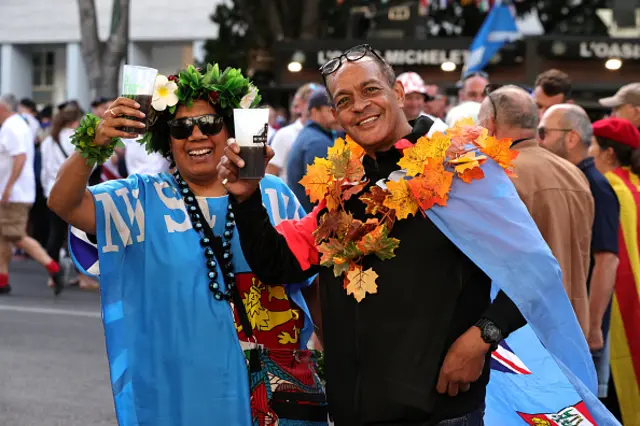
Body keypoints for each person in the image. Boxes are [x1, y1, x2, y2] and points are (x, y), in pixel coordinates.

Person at [218, 44, 613, 425]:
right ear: (336, 115)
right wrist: (247, 197)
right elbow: (276, 263)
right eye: (343, 100)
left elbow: (536, 269)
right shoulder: (341, 188)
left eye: (370, 89)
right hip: (354, 410)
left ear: (398, 91)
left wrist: (481, 339)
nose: (359, 105)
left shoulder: (461, 169)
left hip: (440, 413)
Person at [48, 64, 326, 426]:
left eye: (210, 124)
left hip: (275, 394)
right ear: (167, 139)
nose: (196, 136)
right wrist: (94, 143)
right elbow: (64, 204)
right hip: (181, 394)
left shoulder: (273, 195)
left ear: (231, 131)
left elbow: (312, 286)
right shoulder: (139, 199)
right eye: (180, 128)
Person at [478, 86, 594, 336]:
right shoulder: (575, 173)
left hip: (524, 335)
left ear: (490, 123)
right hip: (573, 327)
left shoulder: (500, 176)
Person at [538, 104, 620, 399]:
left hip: (583, 329)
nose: (539, 140)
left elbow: (607, 260)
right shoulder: (577, 178)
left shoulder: (595, 184)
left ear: (571, 137)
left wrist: (594, 326)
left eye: (544, 132)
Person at [588, 117, 640, 425]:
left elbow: (612, 257)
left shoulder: (611, 187)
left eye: (593, 144)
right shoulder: (633, 183)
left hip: (622, 302)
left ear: (608, 152)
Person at [0, 94, 64, 295]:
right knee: (3, 236)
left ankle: (53, 267)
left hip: (14, 193)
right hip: (14, 191)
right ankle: (2, 280)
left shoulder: (12, 127)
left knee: (15, 235)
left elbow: (20, 157)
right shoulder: (16, 125)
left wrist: (8, 186)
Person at [40, 105, 84, 288]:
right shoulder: (77, 139)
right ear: (75, 121)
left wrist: (46, 189)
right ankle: (84, 276)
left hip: (52, 191)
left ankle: (53, 275)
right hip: (75, 192)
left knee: (55, 234)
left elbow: (45, 170)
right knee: (80, 235)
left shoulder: (48, 141)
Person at [286, 90, 339, 212]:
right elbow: (321, 194)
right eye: (330, 109)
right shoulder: (317, 141)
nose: (335, 113)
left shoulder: (310, 135)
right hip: (313, 222)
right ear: (315, 111)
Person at [266, 83, 320, 178]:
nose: (316, 104)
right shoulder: (285, 134)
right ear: (298, 105)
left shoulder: (331, 133)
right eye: (311, 100)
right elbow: (270, 175)